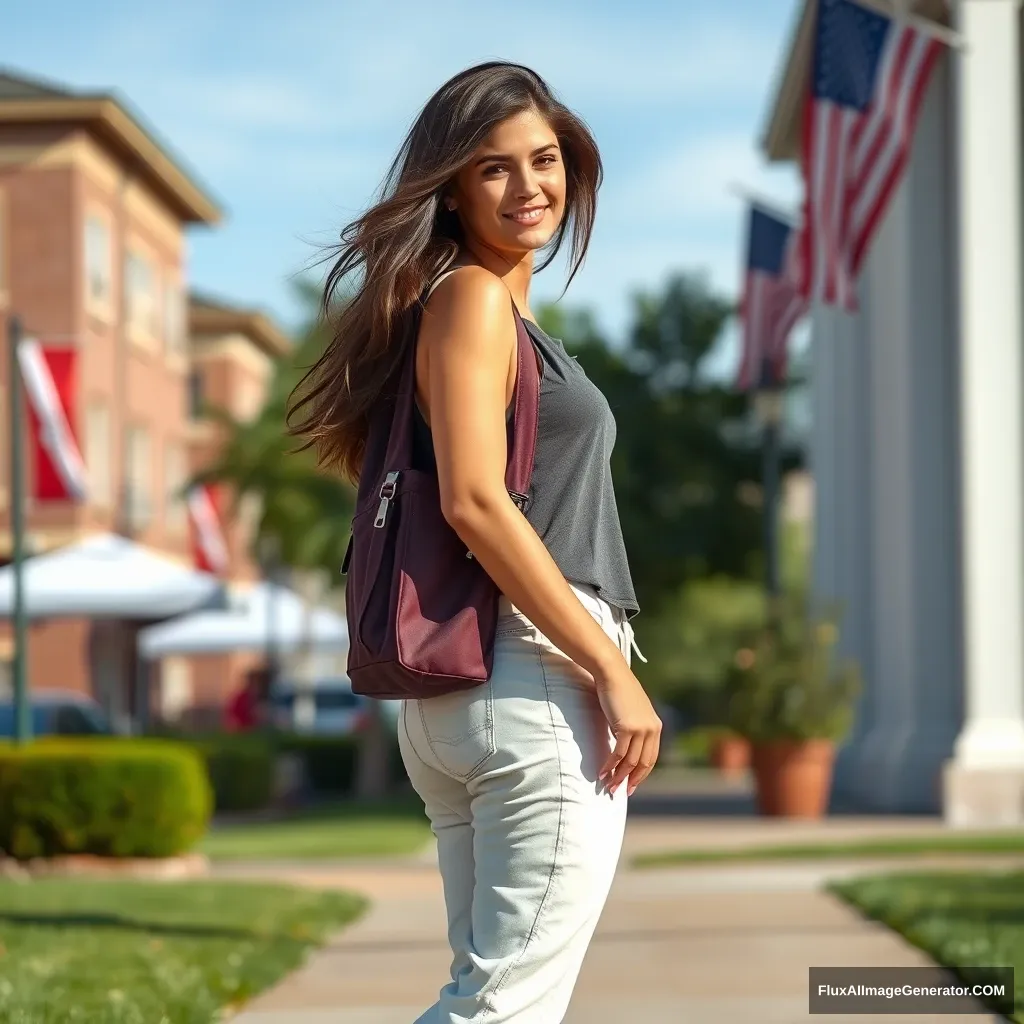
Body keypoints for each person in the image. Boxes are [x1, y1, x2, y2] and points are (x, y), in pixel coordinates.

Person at [287, 61, 662, 1024]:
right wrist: (608, 670)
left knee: (486, 997)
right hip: (531, 682)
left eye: (545, 159)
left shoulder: (494, 311)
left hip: (477, 699)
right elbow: (473, 503)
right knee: (501, 1011)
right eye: (493, 168)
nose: (529, 185)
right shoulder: (472, 300)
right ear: (451, 188)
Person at [223, 666, 267, 733]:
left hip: (253, 730)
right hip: (242, 730)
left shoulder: (256, 697)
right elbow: (233, 713)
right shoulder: (240, 697)